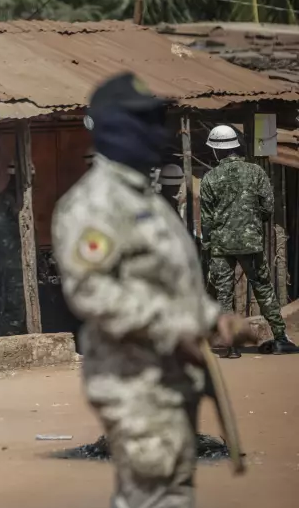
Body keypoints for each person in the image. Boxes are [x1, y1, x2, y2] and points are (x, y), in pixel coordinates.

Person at [52, 73, 251, 508]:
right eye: (146, 121)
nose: (158, 133)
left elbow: (169, 283)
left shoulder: (145, 200)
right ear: (117, 130)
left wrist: (213, 318)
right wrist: (175, 325)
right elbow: (90, 291)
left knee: (163, 495)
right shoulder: (95, 204)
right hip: (133, 380)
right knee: (157, 498)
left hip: (169, 378)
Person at [200, 125, 299, 357]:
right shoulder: (256, 172)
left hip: (221, 246)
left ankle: (230, 346)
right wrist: (252, 223)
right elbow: (268, 208)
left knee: (223, 295)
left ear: (216, 150)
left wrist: (207, 247)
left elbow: (206, 220)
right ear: (235, 147)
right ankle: (281, 338)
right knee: (263, 289)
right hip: (250, 243)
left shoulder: (209, 178)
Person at [0, 164, 25, 335]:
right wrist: (16, 249)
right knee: (12, 308)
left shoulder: (21, 200)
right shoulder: (4, 201)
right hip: (10, 265)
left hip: (20, 264)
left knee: (21, 307)